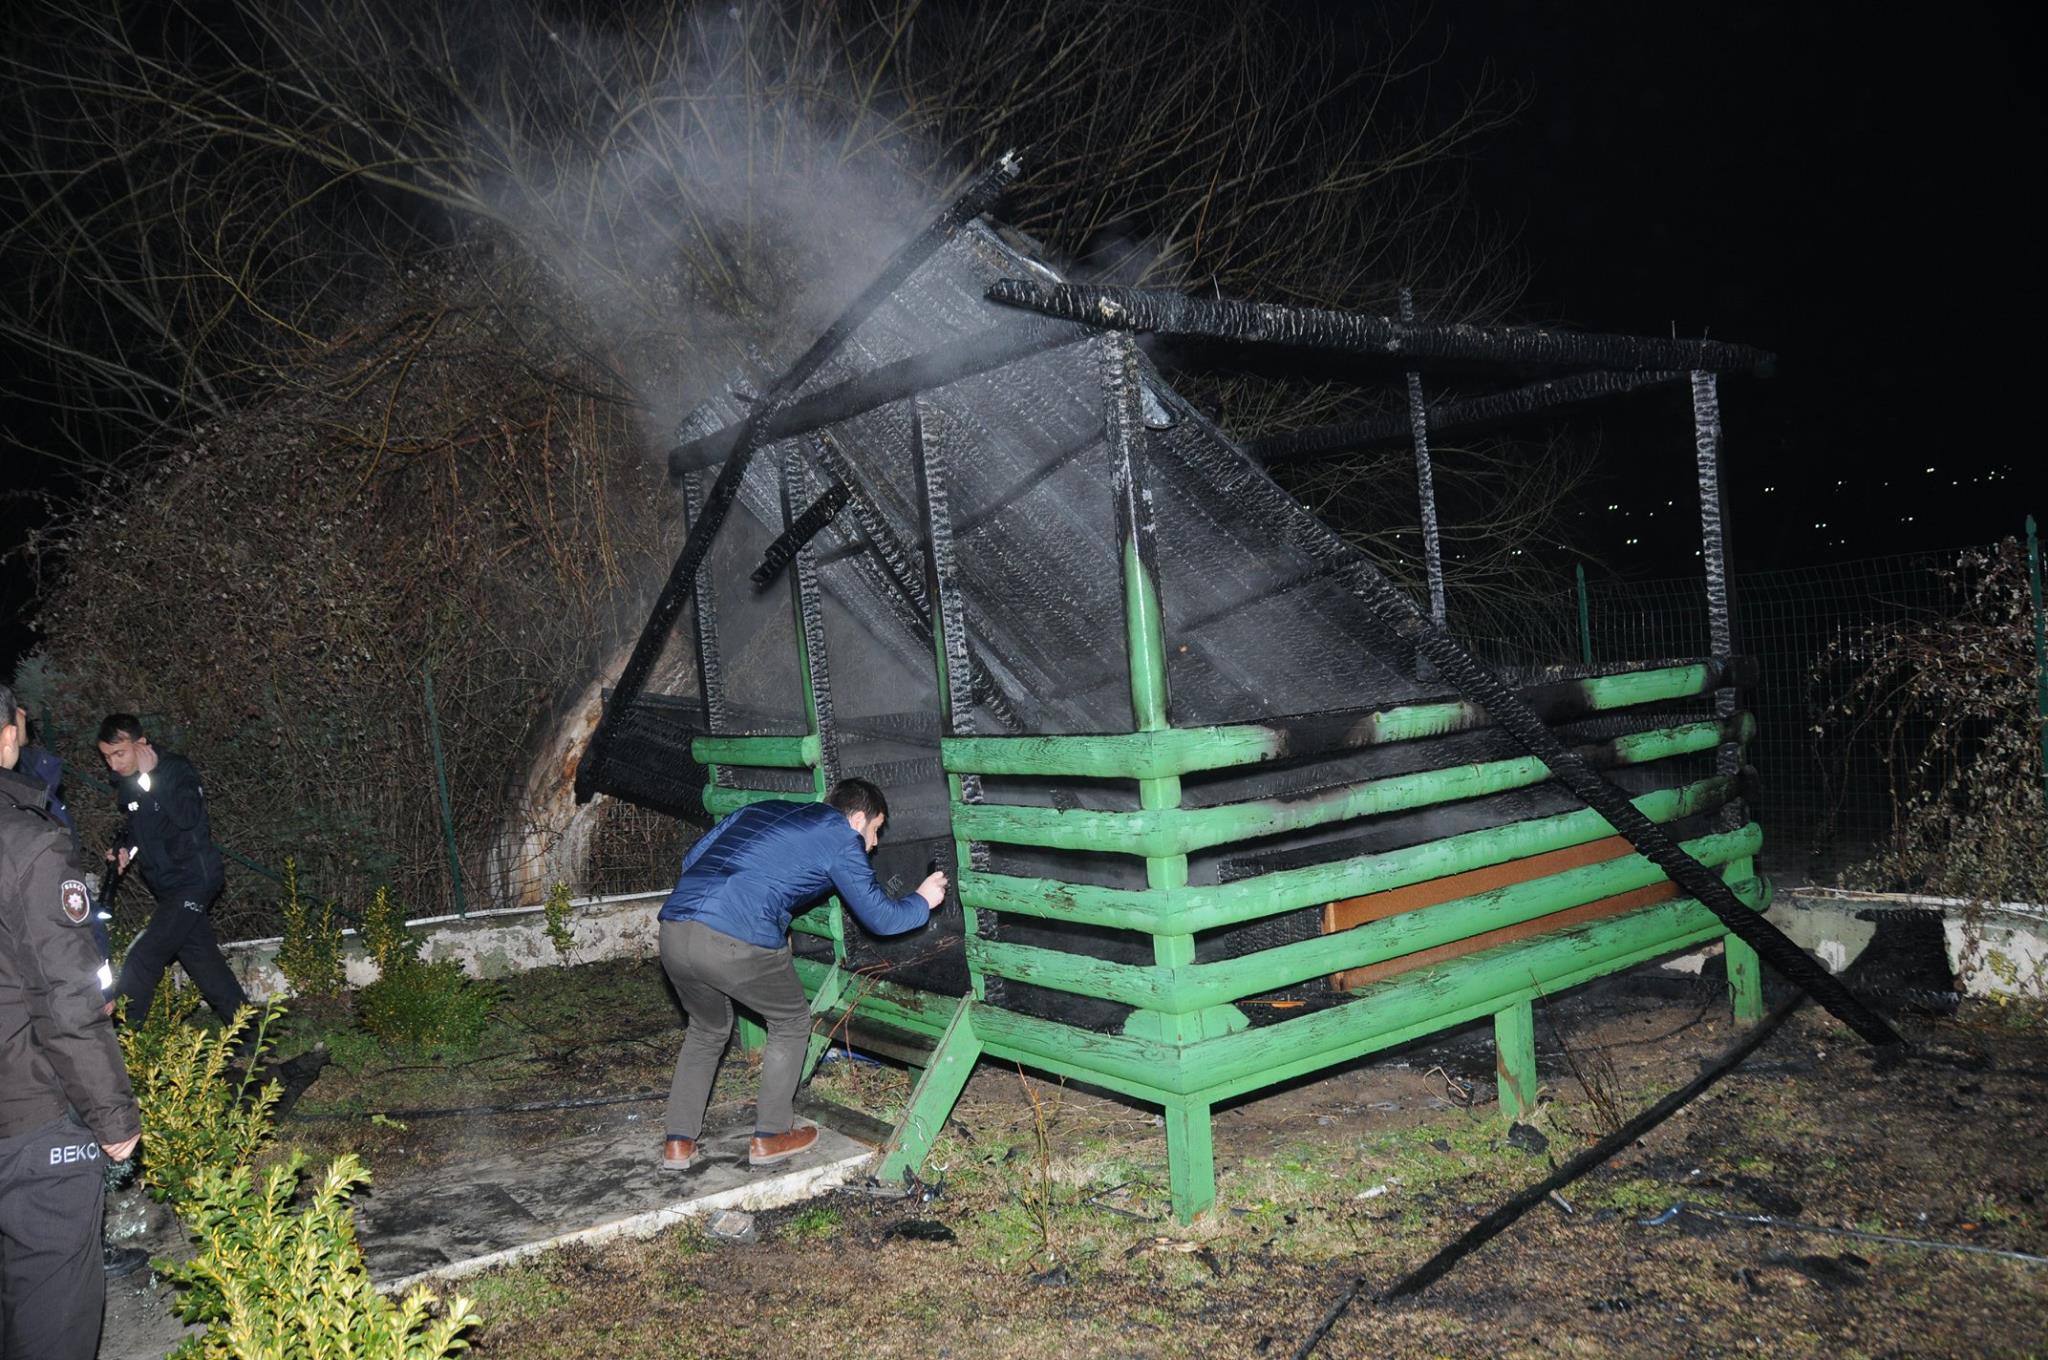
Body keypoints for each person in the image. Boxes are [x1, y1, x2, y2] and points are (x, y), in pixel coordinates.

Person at [657, 778, 944, 1170]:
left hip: (675, 929)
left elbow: (693, 860)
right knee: (791, 1020)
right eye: (875, 830)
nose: (874, 844)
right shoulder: (842, 839)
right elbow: (881, 918)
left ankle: (678, 1142)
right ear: (858, 818)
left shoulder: (762, 808)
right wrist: (922, 900)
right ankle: (771, 1135)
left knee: (706, 1031)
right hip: (736, 938)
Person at [1, 680, 143, 1360]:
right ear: (8, 731)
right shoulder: (26, 840)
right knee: (50, 1296)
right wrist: (114, 1119)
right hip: (25, 1108)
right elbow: (60, 995)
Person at [94, 714, 249, 1028]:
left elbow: (188, 817)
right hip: (167, 888)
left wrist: (154, 779)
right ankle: (250, 1035)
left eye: (119, 753)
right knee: (205, 966)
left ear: (141, 744)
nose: (113, 764)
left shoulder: (175, 770)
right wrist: (126, 850)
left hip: (194, 879)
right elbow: (139, 830)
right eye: (107, 757)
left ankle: (121, 1042)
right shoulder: (128, 786)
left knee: (144, 954)